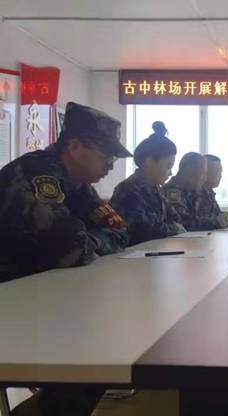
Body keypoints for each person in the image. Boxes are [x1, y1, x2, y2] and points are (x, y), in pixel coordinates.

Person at [0, 102, 132, 416]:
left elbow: (120, 232)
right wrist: (91, 241)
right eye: (105, 155)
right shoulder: (35, 174)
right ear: (74, 147)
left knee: (108, 338)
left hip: (46, 294)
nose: (110, 165)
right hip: (12, 301)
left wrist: (90, 240)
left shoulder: (79, 184)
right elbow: (71, 249)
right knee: (95, 352)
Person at [111, 122, 185, 245]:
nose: (171, 173)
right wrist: (173, 229)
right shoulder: (128, 190)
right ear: (149, 162)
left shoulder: (155, 188)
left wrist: (172, 227)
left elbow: (176, 219)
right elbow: (144, 231)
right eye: (168, 166)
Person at [164, 152, 228, 230]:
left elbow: (205, 216)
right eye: (202, 173)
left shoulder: (191, 189)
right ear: (189, 171)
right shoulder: (173, 191)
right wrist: (216, 222)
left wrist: (227, 218)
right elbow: (184, 223)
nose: (205, 179)